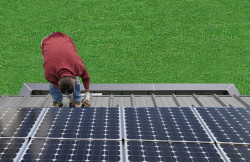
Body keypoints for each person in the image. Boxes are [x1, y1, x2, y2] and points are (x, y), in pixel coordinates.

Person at [41, 32, 91, 107]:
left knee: (72, 81)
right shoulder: (49, 73)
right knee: (52, 84)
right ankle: (57, 101)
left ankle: (77, 100)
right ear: (58, 82)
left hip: (65, 39)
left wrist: (87, 94)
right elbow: (53, 82)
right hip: (47, 41)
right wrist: (69, 95)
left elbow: (86, 77)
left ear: (73, 79)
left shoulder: (78, 65)